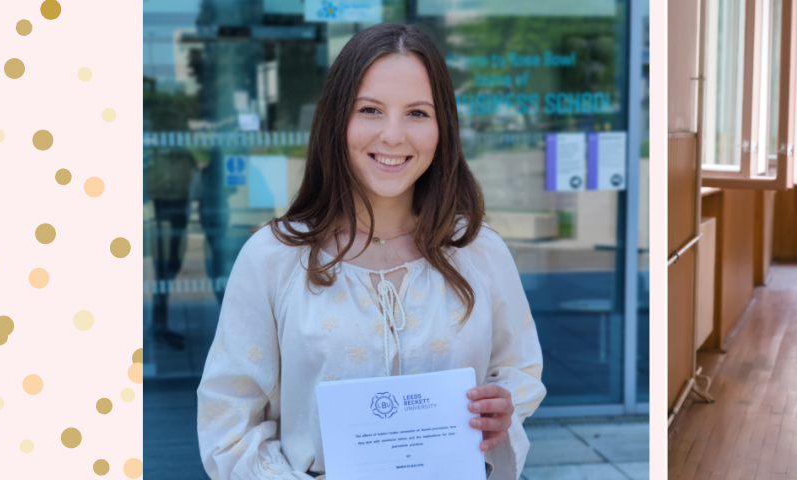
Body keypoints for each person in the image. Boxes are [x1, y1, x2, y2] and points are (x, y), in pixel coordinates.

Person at [195, 23, 546, 480]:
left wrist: (503, 412)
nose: (393, 135)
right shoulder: (273, 259)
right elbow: (228, 423)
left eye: (418, 113)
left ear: (444, 128)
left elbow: (518, 371)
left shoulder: (479, 251)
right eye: (370, 110)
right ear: (337, 119)